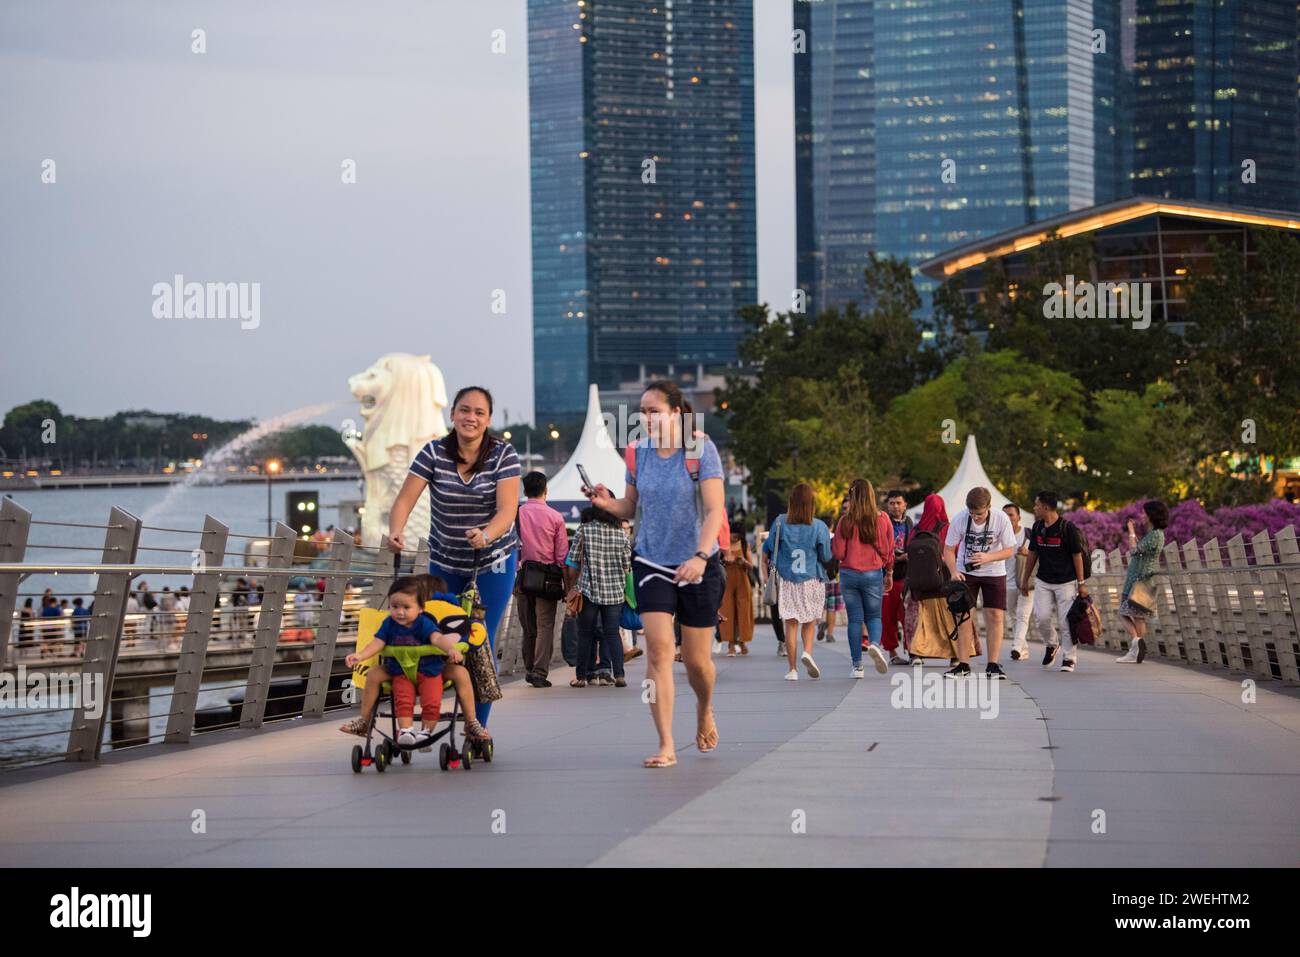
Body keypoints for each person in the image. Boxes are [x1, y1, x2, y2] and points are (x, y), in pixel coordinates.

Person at [584, 379, 727, 768]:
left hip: (697, 563)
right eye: (642, 412)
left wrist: (700, 555)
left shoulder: (699, 447)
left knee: (697, 663)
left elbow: (715, 509)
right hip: (650, 561)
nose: (645, 418)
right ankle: (666, 744)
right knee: (659, 652)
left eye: (654, 411)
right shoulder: (637, 454)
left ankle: (704, 708)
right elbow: (631, 507)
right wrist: (605, 502)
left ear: (676, 413)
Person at [387, 385, 521, 730]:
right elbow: (404, 500)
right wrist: (396, 530)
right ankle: (427, 711)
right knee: (438, 635)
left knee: (478, 636)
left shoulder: (503, 455)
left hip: (492, 561)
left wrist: (487, 534)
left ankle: (477, 725)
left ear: (488, 419)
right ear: (453, 414)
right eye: (464, 410)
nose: (470, 418)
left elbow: (508, 510)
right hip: (446, 561)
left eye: (479, 412)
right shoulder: (433, 453)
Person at [343, 576, 489, 747]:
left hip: (430, 670)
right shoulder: (389, 624)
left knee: (431, 701)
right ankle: (387, 726)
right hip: (400, 671)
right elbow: (377, 642)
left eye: (406, 607)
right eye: (394, 606)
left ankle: (439, 728)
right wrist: (360, 655)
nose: (399, 612)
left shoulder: (424, 623)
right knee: (401, 699)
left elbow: (437, 638)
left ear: (420, 608)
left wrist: (451, 649)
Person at [943, 487, 1017, 679]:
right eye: (972, 513)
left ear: (989, 507)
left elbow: (1010, 550)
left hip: (994, 571)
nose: (975, 518)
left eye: (980, 514)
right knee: (964, 617)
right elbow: (948, 550)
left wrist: (988, 557)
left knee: (995, 616)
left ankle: (993, 664)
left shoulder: (1001, 519)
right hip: (965, 572)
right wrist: (953, 572)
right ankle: (963, 664)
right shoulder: (960, 519)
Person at [764, 482, 833, 681]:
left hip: (787, 579)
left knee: (791, 623)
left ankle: (792, 669)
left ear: (791, 502)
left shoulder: (779, 522)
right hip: (811, 578)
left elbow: (769, 547)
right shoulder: (819, 526)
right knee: (810, 620)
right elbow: (826, 555)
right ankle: (808, 653)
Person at [832, 479, 895, 677]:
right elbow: (888, 549)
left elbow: (839, 553)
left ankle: (857, 666)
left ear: (852, 496)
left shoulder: (845, 520)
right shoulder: (883, 518)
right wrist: (889, 571)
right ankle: (875, 644)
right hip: (872, 573)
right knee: (874, 616)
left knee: (855, 620)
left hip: (849, 575)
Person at [1019, 491, 1087, 673]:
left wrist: (1081, 584)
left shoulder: (1067, 528)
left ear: (1046, 507)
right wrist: (1025, 579)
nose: (1034, 508)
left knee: (1066, 621)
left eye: (1036, 505)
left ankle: (1069, 658)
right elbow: (1032, 553)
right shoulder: (1037, 527)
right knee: (1041, 618)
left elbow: (1077, 556)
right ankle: (1052, 644)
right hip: (1043, 580)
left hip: (1066, 582)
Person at [515, 470, 569, 688]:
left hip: (522, 575)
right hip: (548, 578)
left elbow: (511, 548)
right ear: (546, 490)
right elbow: (562, 556)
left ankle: (529, 668)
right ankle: (539, 672)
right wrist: (568, 585)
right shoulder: (556, 517)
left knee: (528, 625)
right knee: (545, 625)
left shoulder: (515, 514)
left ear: (525, 490)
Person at [569, 505, 632, 686]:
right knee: (612, 633)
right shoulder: (621, 534)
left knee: (585, 634)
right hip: (614, 592)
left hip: (589, 589)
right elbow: (626, 564)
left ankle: (581, 677)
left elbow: (573, 558)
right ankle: (619, 675)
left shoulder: (584, 530)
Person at [1115, 500, 1169, 664]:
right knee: (1136, 617)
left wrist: (1131, 531)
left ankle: (1136, 647)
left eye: (1144, 513)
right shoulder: (1154, 535)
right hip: (1141, 580)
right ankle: (1136, 649)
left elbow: (1133, 550)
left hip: (1141, 581)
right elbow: (1140, 552)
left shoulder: (1155, 535)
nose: (1142, 515)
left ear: (1152, 515)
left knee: (1127, 615)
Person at [903, 493, 951, 660]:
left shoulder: (917, 529)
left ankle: (916, 653)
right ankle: (954, 655)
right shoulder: (947, 527)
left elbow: (909, 551)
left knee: (917, 618)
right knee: (948, 619)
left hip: (918, 583)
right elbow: (954, 550)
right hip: (942, 581)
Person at [718, 527, 755, 656]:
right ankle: (731, 645)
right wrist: (724, 560)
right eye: (732, 535)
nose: (733, 538)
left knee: (743, 612)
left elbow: (751, 567)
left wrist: (743, 561)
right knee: (727, 611)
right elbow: (716, 562)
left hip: (742, 583)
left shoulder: (744, 545)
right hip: (726, 582)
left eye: (736, 536)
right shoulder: (722, 545)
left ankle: (742, 641)